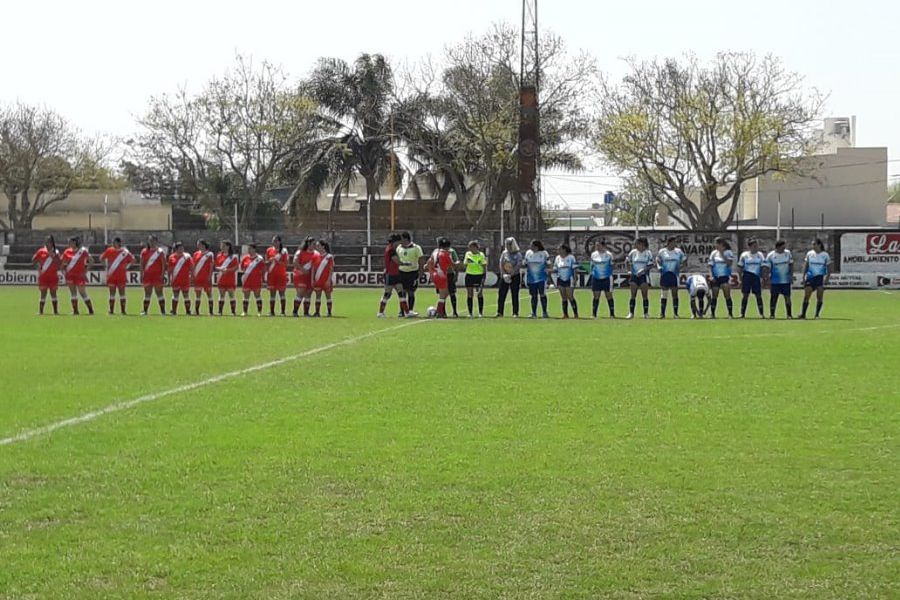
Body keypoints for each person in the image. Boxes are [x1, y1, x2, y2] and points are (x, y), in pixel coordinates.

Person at [60, 236, 93, 315]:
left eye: (71, 242)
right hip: (70, 275)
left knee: (82, 292)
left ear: (75, 243)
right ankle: (75, 311)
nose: (69, 244)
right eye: (69, 242)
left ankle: (91, 310)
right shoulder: (67, 251)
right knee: (73, 293)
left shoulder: (83, 251)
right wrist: (63, 271)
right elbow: (62, 263)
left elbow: (91, 261)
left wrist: (85, 271)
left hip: (79, 275)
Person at [378, 233, 409, 317]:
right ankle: (380, 312)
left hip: (395, 273)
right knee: (387, 294)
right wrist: (405, 264)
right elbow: (396, 261)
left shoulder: (391, 248)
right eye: (399, 241)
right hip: (391, 274)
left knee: (401, 293)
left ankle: (407, 312)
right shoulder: (391, 249)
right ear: (395, 241)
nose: (400, 243)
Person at [100, 237, 134, 315]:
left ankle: (123, 311)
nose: (113, 243)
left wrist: (127, 267)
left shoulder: (125, 252)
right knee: (112, 293)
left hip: (121, 276)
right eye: (113, 242)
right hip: (111, 275)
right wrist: (105, 265)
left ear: (119, 243)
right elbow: (101, 258)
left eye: (114, 242)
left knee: (122, 293)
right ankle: (111, 310)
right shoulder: (109, 250)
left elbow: (133, 260)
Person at [800, 238, 831, 319]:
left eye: (814, 244)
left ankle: (817, 314)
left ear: (819, 245)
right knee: (807, 295)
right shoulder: (809, 254)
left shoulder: (825, 255)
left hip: (820, 278)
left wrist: (827, 278)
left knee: (819, 297)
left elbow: (829, 268)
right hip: (810, 277)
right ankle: (803, 314)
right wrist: (803, 276)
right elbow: (806, 265)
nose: (813, 246)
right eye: (812, 244)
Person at [656, 236, 686, 318]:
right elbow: (657, 259)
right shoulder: (662, 251)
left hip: (674, 275)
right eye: (674, 242)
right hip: (665, 274)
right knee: (664, 294)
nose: (675, 244)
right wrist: (659, 266)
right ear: (669, 242)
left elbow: (684, 260)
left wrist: (681, 267)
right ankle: (662, 313)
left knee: (675, 294)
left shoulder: (678, 252)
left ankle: (675, 314)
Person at [396, 232, 424, 318]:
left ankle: (410, 310)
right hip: (401, 272)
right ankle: (402, 311)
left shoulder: (416, 248)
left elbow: (421, 259)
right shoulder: (399, 248)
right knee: (402, 292)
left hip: (412, 272)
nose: (400, 241)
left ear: (405, 239)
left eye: (401, 239)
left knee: (411, 292)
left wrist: (421, 270)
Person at [764, 240, 794, 319]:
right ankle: (772, 314)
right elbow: (767, 268)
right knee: (774, 298)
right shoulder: (771, 255)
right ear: (778, 247)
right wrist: (767, 279)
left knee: (787, 297)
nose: (784, 248)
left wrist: (791, 276)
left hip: (785, 280)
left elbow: (791, 265)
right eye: (783, 247)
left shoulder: (788, 253)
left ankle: (789, 314)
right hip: (775, 281)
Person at [737, 238, 766, 319]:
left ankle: (761, 313)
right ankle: (742, 314)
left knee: (758, 295)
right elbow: (740, 267)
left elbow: (763, 267)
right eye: (754, 246)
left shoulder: (760, 255)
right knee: (745, 295)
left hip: (756, 277)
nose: (756, 247)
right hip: (747, 276)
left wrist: (763, 278)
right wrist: (740, 279)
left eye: (757, 245)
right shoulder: (744, 255)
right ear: (750, 247)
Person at [32, 235, 61, 315]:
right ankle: (41, 311)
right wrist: (38, 268)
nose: (48, 243)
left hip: (53, 276)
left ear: (52, 243)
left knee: (53, 293)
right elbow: (34, 260)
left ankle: (55, 311)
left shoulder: (56, 252)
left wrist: (53, 256)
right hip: (43, 276)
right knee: (43, 294)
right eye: (47, 241)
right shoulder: (41, 251)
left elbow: (59, 263)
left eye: (50, 242)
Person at [425, 237, 454, 318]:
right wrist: (458, 264)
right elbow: (452, 264)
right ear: (447, 247)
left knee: (446, 293)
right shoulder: (445, 254)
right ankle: (438, 313)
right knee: (442, 295)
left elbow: (429, 262)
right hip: (441, 275)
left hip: (435, 274)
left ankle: (438, 311)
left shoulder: (435, 252)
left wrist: (429, 270)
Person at [707, 237, 735, 319]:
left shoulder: (728, 252)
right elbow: (710, 266)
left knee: (727, 295)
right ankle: (712, 314)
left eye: (716, 243)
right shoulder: (713, 253)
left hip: (725, 276)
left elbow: (729, 263)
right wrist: (711, 276)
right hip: (715, 277)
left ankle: (730, 314)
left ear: (721, 244)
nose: (715, 245)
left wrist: (722, 254)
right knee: (714, 295)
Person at [626, 237, 653, 319]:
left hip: (644, 276)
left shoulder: (648, 253)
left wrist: (642, 270)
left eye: (637, 243)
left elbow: (650, 264)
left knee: (644, 295)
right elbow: (627, 261)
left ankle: (646, 313)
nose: (636, 245)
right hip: (634, 276)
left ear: (642, 244)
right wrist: (629, 271)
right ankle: (631, 313)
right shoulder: (633, 252)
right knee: (633, 294)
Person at [140, 235, 167, 316]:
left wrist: (162, 275)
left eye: (153, 241)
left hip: (157, 276)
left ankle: (163, 311)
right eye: (150, 240)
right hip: (147, 275)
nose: (152, 242)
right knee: (147, 293)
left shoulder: (160, 252)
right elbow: (141, 264)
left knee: (159, 293)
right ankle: (145, 311)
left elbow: (163, 264)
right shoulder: (144, 251)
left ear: (156, 241)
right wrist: (142, 274)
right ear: (148, 241)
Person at [496, 237, 523, 318]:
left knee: (514, 294)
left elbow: (518, 264)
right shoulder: (504, 253)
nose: (507, 246)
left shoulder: (518, 254)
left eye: (509, 244)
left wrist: (511, 274)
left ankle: (515, 312)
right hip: (504, 276)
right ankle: (500, 312)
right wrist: (504, 274)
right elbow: (501, 263)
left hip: (515, 276)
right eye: (506, 244)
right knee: (501, 294)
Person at [589, 238, 616, 319]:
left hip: (607, 278)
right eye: (596, 245)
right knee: (596, 296)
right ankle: (594, 314)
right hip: (596, 278)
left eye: (599, 245)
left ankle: (612, 314)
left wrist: (609, 274)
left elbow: (612, 266)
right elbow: (592, 265)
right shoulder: (593, 254)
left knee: (609, 296)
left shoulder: (609, 255)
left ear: (603, 245)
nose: (597, 247)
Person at [292, 236, 318, 317]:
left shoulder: (316, 254)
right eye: (313, 244)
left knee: (308, 294)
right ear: (308, 244)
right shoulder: (300, 252)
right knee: (300, 293)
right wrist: (302, 270)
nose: (314, 245)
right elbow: (295, 262)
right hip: (300, 275)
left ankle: (306, 313)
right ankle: (295, 312)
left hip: (310, 276)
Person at [524, 239, 550, 318]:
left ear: (536, 246)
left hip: (542, 278)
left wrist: (549, 275)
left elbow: (549, 264)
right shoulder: (528, 253)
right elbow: (525, 263)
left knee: (542, 294)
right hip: (531, 278)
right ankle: (533, 313)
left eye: (532, 245)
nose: (530, 247)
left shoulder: (544, 253)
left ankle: (544, 312)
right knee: (533, 295)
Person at [265, 235, 290, 317]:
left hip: (281, 275)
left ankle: (283, 312)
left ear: (279, 242)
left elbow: (286, 263)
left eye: (276, 241)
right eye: (273, 241)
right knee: (272, 294)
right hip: (271, 275)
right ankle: (272, 312)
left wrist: (277, 261)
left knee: (282, 293)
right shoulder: (269, 250)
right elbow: (266, 262)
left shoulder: (284, 251)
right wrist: (269, 260)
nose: (274, 242)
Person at [553, 244, 579, 318]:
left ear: (564, 249)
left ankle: (576, 314)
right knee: (563, 297)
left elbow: (574, 269)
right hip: (560, 279)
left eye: (560, 249)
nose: (558, 251)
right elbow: (555, 268)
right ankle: (565, 314)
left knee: (570, 296)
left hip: (569, 279)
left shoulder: (571, 257)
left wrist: (574, 278)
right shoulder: (557, 258)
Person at [167, 242, 193, 315]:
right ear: (176, 249)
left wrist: (192, 277)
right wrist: (169, 279)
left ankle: (188, 311)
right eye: (180, 248)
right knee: (175, 295)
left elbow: (192, 267)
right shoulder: (171, 257)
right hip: (175, 279)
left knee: (186, 295)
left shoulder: (187, 257)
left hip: (185, 279)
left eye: (182, 248)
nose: (181, 249)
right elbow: (169, 269)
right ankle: (174, 311)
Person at [463, 240, 487, 318]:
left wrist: (484, 276)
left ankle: (480, 312)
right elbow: (465, 264)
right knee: (470, 294)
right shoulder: (467, 254)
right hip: (469, 275)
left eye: (471, 247)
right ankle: (470, 313)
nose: (470, 249)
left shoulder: (481, 255)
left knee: (479, 293)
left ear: (476, 247)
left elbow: (484, 266)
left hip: (478, 276)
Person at [192, 239, 216, 316]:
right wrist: (193, 275)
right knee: (198, 294)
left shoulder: (210, 254)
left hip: (206, 277)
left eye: (198, 244)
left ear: (203, 244)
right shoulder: (195, 254)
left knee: (209, 294)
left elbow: (211, 266)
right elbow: (193, 265)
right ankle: (196, 311)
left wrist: (210, 276)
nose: (197, 245)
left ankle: (211, 311)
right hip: (197, 277)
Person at [241, 243, 265, 316]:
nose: (249, 250)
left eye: (250, 248)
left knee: (257, 296)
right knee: (246, 296)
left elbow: (263, 269)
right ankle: (245, 312)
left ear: (254, 249)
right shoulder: (245, 258)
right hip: (247, 280)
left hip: (256, 280)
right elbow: (242, 268)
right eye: (248, 249)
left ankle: (259, 312)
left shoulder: (260, 259)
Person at [312, 239, 335, 317]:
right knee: (318, 296)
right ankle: (317, 312)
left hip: (326, 280)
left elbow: (331, 269)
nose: (316, 247)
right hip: (318, 279)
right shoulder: (315, 256)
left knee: (328, 296)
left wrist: (329, 280)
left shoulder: (329, 257)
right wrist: (313, 279)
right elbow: (313, 269)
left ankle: (329, 312)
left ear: (323, 246)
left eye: (318, 246)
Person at [215, 240, 239, 316]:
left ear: (228, 247)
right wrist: (221, 269)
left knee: (231, 295)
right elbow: (216, 266)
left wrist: (227, 270)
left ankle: (233, 312)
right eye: (221, 246)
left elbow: (236, 267)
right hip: (221, 278)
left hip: (230, 278)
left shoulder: (233, 257)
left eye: (223, 246)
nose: (222, 247)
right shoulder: (219, 255)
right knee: (221, 295)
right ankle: (220, 311)